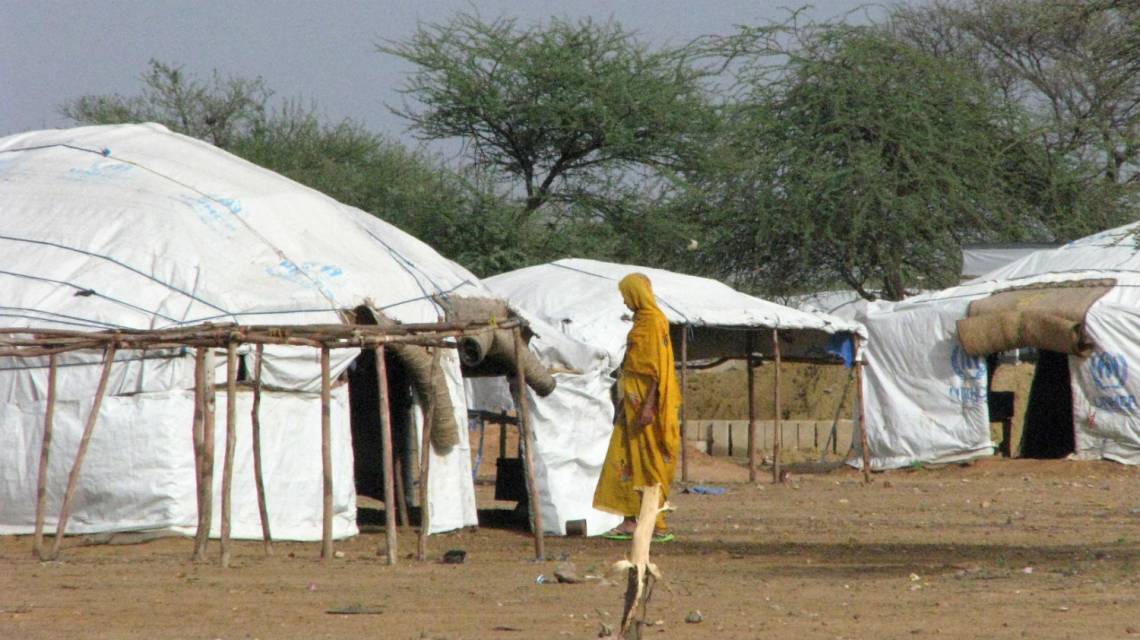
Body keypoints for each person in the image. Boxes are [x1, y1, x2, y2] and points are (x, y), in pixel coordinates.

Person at [594, 273, 681, 542]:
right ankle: (630, 521)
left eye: (626, 295)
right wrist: (624, 400)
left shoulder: (655, 322)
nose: (624, 301)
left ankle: (656, 523)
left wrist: (648, 406)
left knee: (650, 461)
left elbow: (658, 370)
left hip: (648, 404)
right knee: (624, 459)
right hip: (632, 402)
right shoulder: (641, 321)